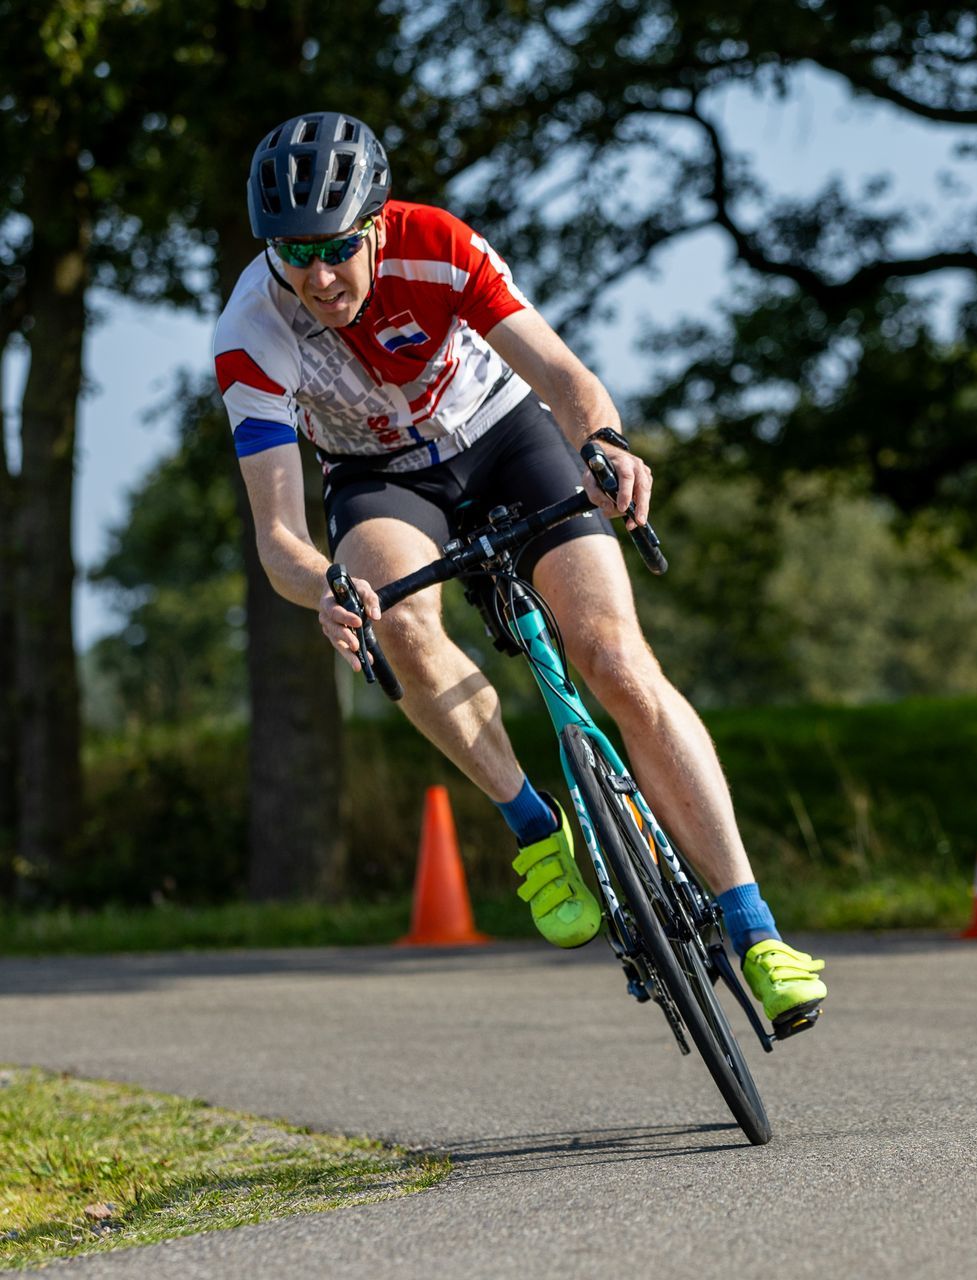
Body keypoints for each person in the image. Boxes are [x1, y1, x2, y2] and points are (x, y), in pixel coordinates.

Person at [214, 111, 825, 1035]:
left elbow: (568, 379)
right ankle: (538, 828)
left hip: (504, 435)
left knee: (614, 661)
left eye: (339, 246)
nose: (319, 275)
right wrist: (325, 590)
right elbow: (278, 538)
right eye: (295, 251)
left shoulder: (440, 246)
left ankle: (754, 927)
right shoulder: (251, 330)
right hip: (378, 476)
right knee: (396, 621)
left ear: (377, 225)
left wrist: (604, 441)